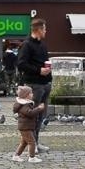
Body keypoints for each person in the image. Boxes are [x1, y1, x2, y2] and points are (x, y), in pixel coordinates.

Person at [16, 19, 52, 148]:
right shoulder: (27, 45)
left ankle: (35, 142)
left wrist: (48, 70)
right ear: (38, 30)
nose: (46, 31)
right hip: (34, 85)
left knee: (41, 115)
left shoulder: (42, 44)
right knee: (32, 116)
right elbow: (21, 64)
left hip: (45, 83)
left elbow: (44, 61)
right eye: (44, 29)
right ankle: (32, 145)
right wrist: (38, 70)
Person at [10, 84, 46, 163]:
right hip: (25, 127)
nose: (32, 94)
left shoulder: (25, 103)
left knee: (24, 142)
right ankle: (32, 157)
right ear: (26, 95)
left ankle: (16, 156)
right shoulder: (24, 105)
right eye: (31, 93)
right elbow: (30, 113)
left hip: (26, 126)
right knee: (32, 142)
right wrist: (39, 109)